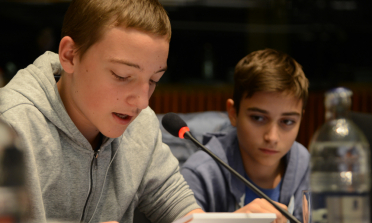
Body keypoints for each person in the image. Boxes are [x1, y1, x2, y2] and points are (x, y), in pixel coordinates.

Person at [0, 0, 204, 222]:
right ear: (69, 56)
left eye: (154, 80)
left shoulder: (141, 123)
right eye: (122, 76)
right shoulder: (9, 126)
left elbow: (177, 204)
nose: (142, 102)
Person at [181, 48, 310, 222]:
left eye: (287, 122)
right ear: (233, 113)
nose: (272, 137)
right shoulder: (201, 173)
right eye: (258, 118)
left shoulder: (311, 170)